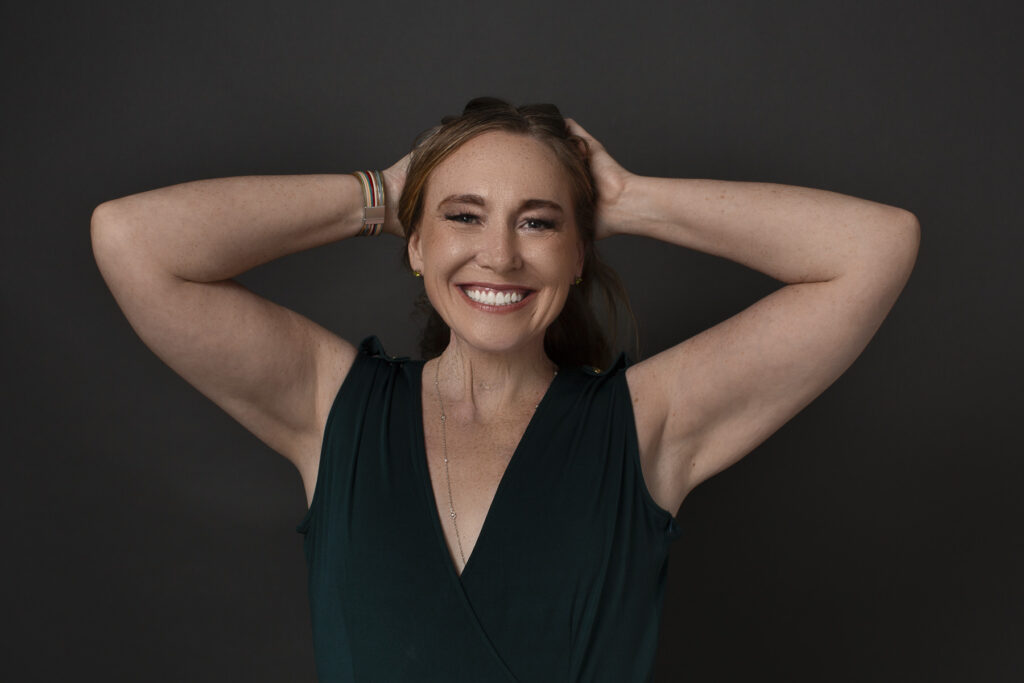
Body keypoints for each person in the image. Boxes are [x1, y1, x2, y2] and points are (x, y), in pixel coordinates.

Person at [91, 97, 919, 681]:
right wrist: (378, 195)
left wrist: (632, 200)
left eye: (538, 220)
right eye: (462, 216)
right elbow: (132, 240)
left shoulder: (644, 425)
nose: (500, 254)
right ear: (414, 244)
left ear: (578, 250)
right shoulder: (331, 406)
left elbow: (876, 247)